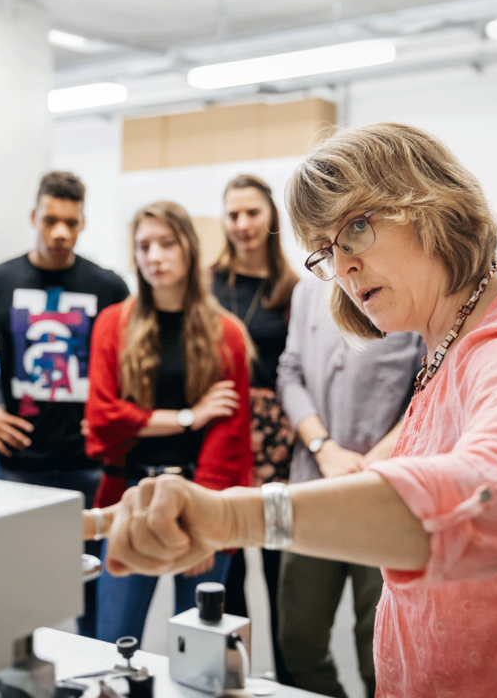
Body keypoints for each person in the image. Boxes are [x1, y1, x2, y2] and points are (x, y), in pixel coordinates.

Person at [90, 123, 497, 697]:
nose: (343, 269)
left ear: (430, 205)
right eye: (327, 252)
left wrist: (233, 517)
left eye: (356, 231)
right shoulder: (450, 339)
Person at [0, 170, 129, 637]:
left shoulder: (108, 287)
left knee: (93, 589)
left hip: (88, 466)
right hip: (17, 466)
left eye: (70, 222)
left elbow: (132, 362)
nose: (59, 233)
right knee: (14, 589)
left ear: (82, 222)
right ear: (34, 216)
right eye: (50, 220)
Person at [84, 200, 253, 644]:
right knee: (114, 641)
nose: (154, 257)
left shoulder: (227, 333)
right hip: (130, 498)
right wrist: (187, 417)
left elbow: (230, 435)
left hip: (200, 498)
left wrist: (209, 522)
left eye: (166, 243)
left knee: (197, 647)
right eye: (143, 246)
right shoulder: (113, 324)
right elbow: (102, 418)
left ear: (188, 249)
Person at [275, 276, 423, 698]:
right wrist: (324, 449)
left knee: (377, 652)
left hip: (383, 497)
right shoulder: (307, 291)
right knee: (298, 643)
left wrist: (372, 463)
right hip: (310, 489)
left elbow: (428, 387)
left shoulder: (403, 286)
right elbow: (290, 373)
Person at [207, 174, 299, 683]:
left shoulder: (293, 290)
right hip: (223, 434)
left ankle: (285, 682)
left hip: (278, 447)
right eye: (234, 214)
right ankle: (231, 679)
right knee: (230, 572)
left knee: (277, 569)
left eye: (252, 213)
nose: (242, 224)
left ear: (271, 220)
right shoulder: (207, 283)